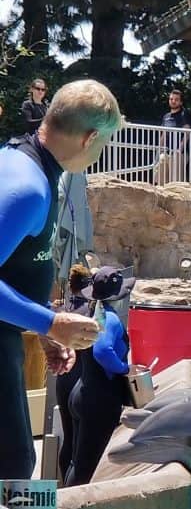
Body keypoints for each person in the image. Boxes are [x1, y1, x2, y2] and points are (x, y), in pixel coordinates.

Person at [0, 78, 121, 479]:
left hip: (6, 339)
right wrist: (50, 322)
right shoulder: (29, 187)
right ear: (89, 139)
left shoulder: (21, 160)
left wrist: (42, 332)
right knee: (14, 472)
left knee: (16, 466)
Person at [66, 266, 135, 486]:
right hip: (99, 400)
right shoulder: (111, 319)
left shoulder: (91, 313)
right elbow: (102, 350)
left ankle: (62, 505)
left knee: (76, 462)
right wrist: (124, 368)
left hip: (81, 391)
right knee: (87, 468)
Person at [54, 264, 92, 480]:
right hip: (80, 380)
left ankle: (61, 482)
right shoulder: (88, 313)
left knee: (67, 437)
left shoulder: (61, 310)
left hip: (62, 380)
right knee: (78, 445)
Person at [155, 88, 191, 185]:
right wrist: (158, 150)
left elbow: (187, 133)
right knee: (161, 174)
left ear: (181, 102)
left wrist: (179, 150)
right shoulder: (166, 116)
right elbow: (163, 134)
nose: (173, 101)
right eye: (171, 99)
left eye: (176, 99)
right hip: (167, 152)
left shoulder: (184, 115)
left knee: (175, 180)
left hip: (179, 153)